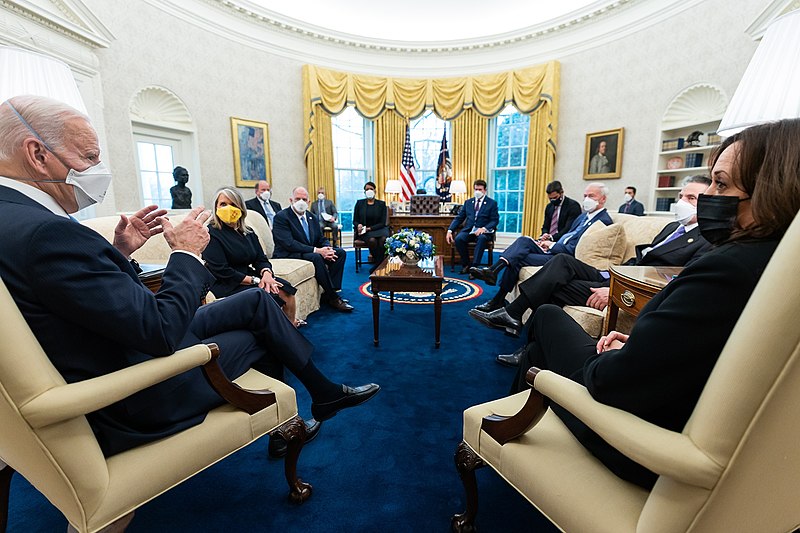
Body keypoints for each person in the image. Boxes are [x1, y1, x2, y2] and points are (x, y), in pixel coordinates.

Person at [0, 95, 379, 458]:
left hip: (126, 343)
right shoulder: (47, 232)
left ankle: (323, 393)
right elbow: (161, 330)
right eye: (89, 157)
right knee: (263, 332)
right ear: (37, 155)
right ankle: (288, 423)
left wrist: (119, 254)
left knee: (258, 301)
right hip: (140, 388)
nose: (99, 170)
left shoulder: (16, 220)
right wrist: (184, 252)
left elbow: (82, 295)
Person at [508, 118, 800, 489]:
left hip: (637, 442)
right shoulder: (775, 265)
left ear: (773, 190)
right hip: (677, 406)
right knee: (538, 347)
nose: (708, 195)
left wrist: (612, 357)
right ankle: (515, 426)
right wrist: (641, 345)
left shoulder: (726, 269)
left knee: (547, 320)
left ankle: (508, 428)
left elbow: (611, 383)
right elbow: (711, 351)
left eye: (721, 184)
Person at [472, 176, 713, 360]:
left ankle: (525, 343)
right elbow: (639, 260)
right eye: (681, 196)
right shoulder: (671, 228)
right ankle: (515, 316)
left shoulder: (706, 240)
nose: (682, 202)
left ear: (710, 201)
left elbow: (673, 282)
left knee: (554, 286)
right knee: (561, 263)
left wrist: (614, 291)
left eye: (691, 199)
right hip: (615, 274)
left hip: (627, 289)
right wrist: (612, 278)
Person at [469, 183, 613, 321]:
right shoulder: (583, 216)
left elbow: (574, 250)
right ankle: (494, 271)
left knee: (518, 258)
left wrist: (552, 246)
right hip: (556, 248)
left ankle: (497, 298)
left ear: (603, 199)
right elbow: (567, 235)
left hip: (563, 257)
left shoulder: (603, 222)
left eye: (591, 196)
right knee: (524, 240)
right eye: (585, 195)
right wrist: (549, 239)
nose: (586, 199)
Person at [203, 187, 305, 328]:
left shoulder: (248, 232)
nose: (228, 208)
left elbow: (260, 259)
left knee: (285, 290)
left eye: (233, 204)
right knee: (269, 296)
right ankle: (279, 333)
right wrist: (256, 281)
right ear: (216, 207)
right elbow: (222, 271)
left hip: (247, 275)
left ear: (241, 208)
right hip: (226, 282)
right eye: (223, 204)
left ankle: (290, 326)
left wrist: (267, 275)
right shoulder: (211, 233)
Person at [272, 186, 352, 312]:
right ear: (291, 200)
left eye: (304, 199)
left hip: (307, 251)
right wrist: (317, 250)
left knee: (340, 253)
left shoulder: (312, 217)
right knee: (316, 256)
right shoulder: (281, 217)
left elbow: (320, 238)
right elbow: (289, 243)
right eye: (298, 199)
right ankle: (334, 298)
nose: (301, 202)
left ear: (309, 202)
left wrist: (327, 248)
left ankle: (330, 293)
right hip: (289, 253)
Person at [446, 179, 499, 274]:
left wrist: (484, 228)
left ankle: (474, 268)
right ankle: (466, 265)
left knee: (482, 238)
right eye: (476, 189)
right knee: (459, 239)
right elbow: (459, 218)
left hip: (483, 232)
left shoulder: (492, 203)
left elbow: (494, 220)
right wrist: (450, 230)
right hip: (469, 230)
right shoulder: (468, 202)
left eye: (480, 189)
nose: (477, 192)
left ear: (485, 190)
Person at [352, 181, 391, 265]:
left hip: (379, 229)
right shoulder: (359, 203)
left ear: (375, 191)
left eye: (371, 189)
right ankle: (380, 264)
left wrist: (370, 228)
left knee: (383, 239)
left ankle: (377, 264)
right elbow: (355, 220)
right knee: (372, 240)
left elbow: (382, 223)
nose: (369, 190)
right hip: (365, 232)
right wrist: (358, 225)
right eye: (367, 189)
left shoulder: (381, 204)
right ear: (364, 192)